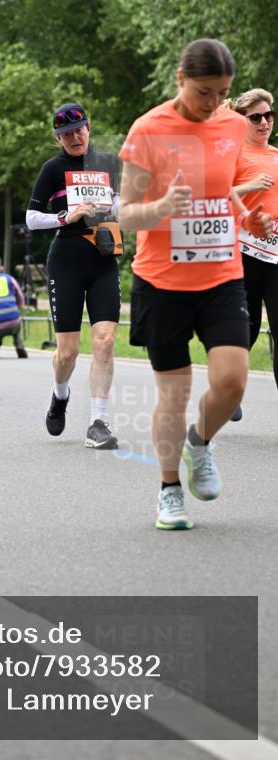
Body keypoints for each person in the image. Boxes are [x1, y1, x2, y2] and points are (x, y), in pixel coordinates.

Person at [119, 38, 272, 530]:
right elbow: (124, 214)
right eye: (204, 92)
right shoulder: (148, 129)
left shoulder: (231, 124)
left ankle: (199, 443)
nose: (213, 105)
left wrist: (248, 220)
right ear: (181, 79)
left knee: (232, 380)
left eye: (222, 93)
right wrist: (162, 209)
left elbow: (222, 192)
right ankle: (168, 492)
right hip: (162, 280)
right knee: (174, 393)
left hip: (221, 275)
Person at [26, 103, 123, 450]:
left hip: (103, 257)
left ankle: (98, 422)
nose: (74, 137)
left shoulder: (109, 163)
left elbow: (125, 204)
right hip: (66, 260)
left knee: (105, 340)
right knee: (67, 352)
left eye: (79, 130)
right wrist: (67, 216)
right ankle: (60, 394)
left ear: (89, 127)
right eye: (66, 134)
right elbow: (32, 218)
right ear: (58, 139)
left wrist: (113, 206)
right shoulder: (53, 169)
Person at [232, 88, 278, 390]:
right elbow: (216, 194)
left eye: (269, 115)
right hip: (244, 253)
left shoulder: (276, 155)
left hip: (275, 256)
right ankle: (227, 390)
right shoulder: (232, 153)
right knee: (243, 332)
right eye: (256, 117)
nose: (265, 122)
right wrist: (249, 185)